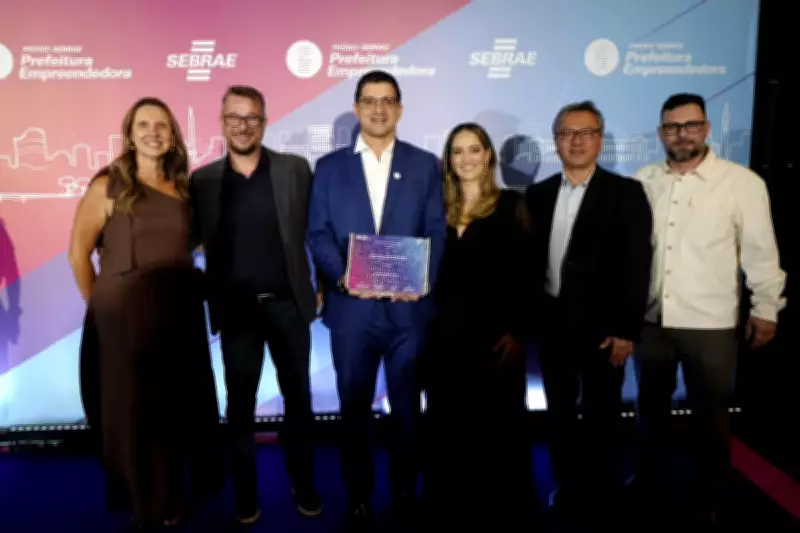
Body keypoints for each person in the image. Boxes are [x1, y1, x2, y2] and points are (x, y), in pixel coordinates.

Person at [67, 97, 225, 529]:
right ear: (130, 133)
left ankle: (171, 495)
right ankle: (144, 501)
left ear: (172, 136)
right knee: (135, 411)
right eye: (144, 125)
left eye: (161, 126)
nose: (153, 132)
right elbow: (78, 253)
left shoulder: (183, 188)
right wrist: (100, 305)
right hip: (123, 318)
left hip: (177, 314)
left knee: (173, 406)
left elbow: (191, 246)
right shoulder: (108, 185)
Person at [632, 93, 786, 525]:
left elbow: (760, 252)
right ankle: (651, 484)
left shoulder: (742, 183)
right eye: (672, 127)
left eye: (691, 125)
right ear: (661, 132)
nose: (682, 134)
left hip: (710, 323)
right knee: (650, 411)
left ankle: (709, 495)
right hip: (652, 321)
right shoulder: (643, 180)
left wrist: (766, 308)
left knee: (711, 418)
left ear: (707, 128)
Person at [307, 70, 447, 527]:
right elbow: (318, 233)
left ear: (400, 109)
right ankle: (359, 495)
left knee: (407, 411)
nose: (379, 109)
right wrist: (346, 278)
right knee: (353, 410)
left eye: (388, 101)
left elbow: (436, 230)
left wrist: (421, 281)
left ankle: (405, 491)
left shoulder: (425, 165)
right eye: (370, 100)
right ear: (357, 108)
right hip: (353, 312)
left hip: (409, 313)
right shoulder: (329, 168)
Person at [189, 85, 322, 524]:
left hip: (288, 307)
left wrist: (322, 282)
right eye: (234, 117)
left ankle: (304, 485)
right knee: (240, 410)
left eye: (251, 117)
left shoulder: (294, 170)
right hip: (237, 312)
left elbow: (319, 229)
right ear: (222, 121)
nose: (242, 125)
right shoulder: (203, 181)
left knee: (299, 404)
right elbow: (182, 240)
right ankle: (246, 495)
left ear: (264, 122)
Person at [526, 101, 653, 526]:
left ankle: (604, 494)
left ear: (600, 139)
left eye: (585, 132)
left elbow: (637, 266)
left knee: (603, 417)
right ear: (556, 141)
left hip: (605, 333)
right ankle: (568, 487)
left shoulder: (626, 193)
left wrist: (626, 331)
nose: (576, 141)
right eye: (567, 133)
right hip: (553, 330)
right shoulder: (538, 195)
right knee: (559, 416)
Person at [421, 122, 539, 529]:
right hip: (442, 340)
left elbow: (529, 275)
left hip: (494, 341)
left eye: (474, 149)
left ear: (488, 155)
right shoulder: (435, 209)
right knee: (447, 427)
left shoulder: (512, 205)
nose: (466, 158)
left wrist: (519, 332)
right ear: (448, 160)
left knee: (496, 432)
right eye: (457, 151)